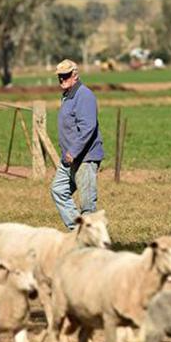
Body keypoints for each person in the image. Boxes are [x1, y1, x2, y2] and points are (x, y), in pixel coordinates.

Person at [50, 59, 104, 230]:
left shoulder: (84, 95)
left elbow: (88, 127)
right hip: (69, 158)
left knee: (87, 206)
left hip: (84, 158)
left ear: (75, 75)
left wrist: (73, 151)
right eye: (59, 76)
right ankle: (79, 231)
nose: (62, 80)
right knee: (58, 190)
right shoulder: (68, 96)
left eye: (65, 76)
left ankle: (93, 245)